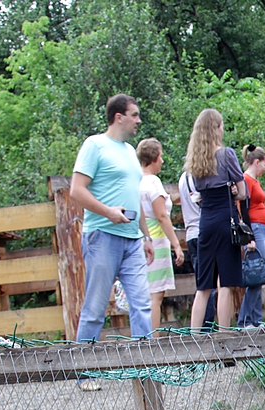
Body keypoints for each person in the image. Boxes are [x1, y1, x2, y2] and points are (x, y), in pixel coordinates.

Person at [69, 93, 154, 343]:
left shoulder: (129, 151)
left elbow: (133, 196)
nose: (139, 121)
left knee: (142, 305)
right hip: (102, 237)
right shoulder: (94, 145)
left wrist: (146, 235)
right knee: (95, 309)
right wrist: (108, 212)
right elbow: (76, 189)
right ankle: (84, 374)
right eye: (134, 115)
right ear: (119, 117)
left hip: (132, 240)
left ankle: (146, 372)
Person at [183, 108, 250, 331]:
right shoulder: (226, 154)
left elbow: (199, 195)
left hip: (205, 221)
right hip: (225, 218)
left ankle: (194, 340)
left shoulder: (195, 161)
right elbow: (242, 192)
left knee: (203, 286)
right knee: (226, 284)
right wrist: (232, 191)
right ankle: (225, 338)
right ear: (216, 128)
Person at [137, 138, 185, 330]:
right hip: (155, 239)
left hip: (140, 237)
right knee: (155, 295)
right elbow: (162, 216)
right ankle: (152, 343)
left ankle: (142, 338)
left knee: (144, 293)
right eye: (161, 157)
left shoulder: (135, 181)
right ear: (154, 158)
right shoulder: (153, 183)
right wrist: (176, 243)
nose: (162, 161)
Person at [178, 168, 217, 329]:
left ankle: (204, 327)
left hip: (192, 233)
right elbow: (202, 200)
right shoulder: (196, 177)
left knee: (204, 283)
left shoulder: (183, 178)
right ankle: (206, 329)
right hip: (201, 232)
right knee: (207, 286)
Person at [240, 145, 265, 327]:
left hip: (263, 228)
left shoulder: (255, 181)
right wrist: (249, 236)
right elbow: (242, 209)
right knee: (256, 271)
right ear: (256, 162)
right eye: (264, 164)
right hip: (255, 229)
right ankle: (245, 320)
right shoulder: (245, 180)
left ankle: (256, 318)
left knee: (261, 273)